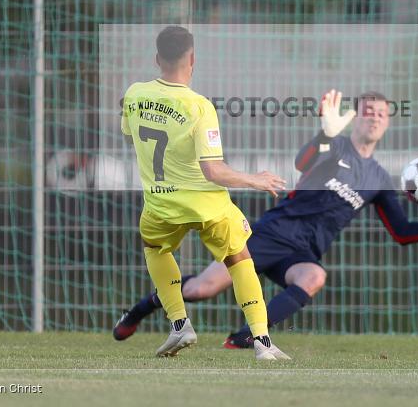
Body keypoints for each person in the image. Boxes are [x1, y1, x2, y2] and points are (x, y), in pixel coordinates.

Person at [115, 88, 418, 348]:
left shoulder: (378, 179)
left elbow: (402, 233)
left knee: (314, 276)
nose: (374, 118)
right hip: (273, 233)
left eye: (381, 114)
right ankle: (140, 309)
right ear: (355, 118)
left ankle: (243, 338)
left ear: (388, 123)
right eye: (368, 111)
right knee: (201, 289)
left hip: (303, 251)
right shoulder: (335, 145)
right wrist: (324, 134)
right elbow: (302, 162)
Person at [118, 25, 290, 360]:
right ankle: (262, 341)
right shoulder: (199, 106)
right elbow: (213, 171)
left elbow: (130, 134)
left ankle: (179, 323)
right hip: (206, 203)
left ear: (157, 59)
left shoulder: (135, 93)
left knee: (154, 248)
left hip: (161, 203)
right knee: (239, 258)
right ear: (192, 59)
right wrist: (254, 179)